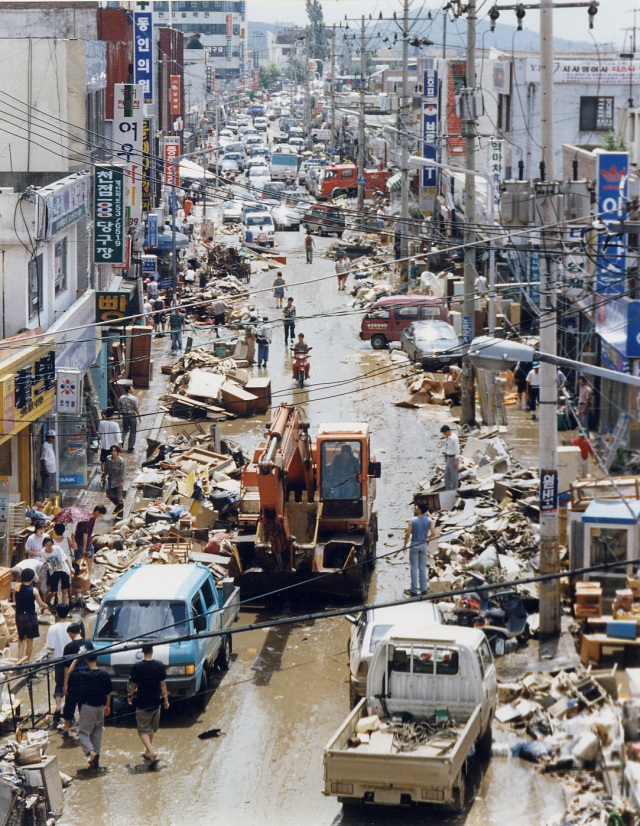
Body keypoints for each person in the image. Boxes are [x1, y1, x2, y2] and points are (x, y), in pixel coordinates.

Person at [127, 644, 170, 766]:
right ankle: (147, 752)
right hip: (156, 702)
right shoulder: (159, 665)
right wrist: (166, 700)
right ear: (152, 650)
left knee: (142, 730)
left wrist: (130, 696)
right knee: (150, 728)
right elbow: (163, 684)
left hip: (142, 703)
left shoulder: (137, 667)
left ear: (142, 651)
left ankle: (151, 751)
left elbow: (133, 685)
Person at [76, 652, 112, 769]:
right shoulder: (105, 674)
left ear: (86, 660)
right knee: (97, 734)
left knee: (82, 733)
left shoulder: (83, 675)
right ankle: (95, 761)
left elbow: (68, 672)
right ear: (97, 659)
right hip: (100, 707)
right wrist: (107, 706)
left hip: (88, 707)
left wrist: (77, 658)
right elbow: (108, 692)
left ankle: (91, 753)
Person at [60, 625, 94, 735]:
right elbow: (93, 662)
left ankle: (66, 727)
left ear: (70, 633)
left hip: (73, 679)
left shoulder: (68, 647)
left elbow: (66, 668)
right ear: (80, 631)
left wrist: (65, 684)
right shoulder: (89, 644)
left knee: (70, 703)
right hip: (87, 678)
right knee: (83, 703)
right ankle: (83, 728)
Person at [15, 568, 49, 662]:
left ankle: (19, 660)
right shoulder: (34, 590)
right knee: (29, 640)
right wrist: (46, 606)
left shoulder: (17, 587)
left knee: (21, 639)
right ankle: (27, 662)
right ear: (32, 578)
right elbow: (40, 604)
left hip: (19, 615)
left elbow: (15, 601)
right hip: (30, 616)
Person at [403, 502, 437, 597]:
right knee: (422, 567)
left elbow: (408, 534)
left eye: (417, 507)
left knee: (414, 567)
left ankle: (413, 590)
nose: (415, 507)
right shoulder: (429, 520)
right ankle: (423, 588)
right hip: (423, 545)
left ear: (420, 509)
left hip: (414, 545)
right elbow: (434, 534)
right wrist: (426, 537)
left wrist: (405, 545)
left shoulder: (412, 520)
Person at [45, 603, 71, 721]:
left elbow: (50, 647)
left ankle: (58, 707)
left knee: (59, 684)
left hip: (58, 660)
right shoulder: (72, 626)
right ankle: (68, 710)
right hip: (71, 661)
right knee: (70, 685)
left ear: (56, 613)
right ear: (68, 613)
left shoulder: (52, 628)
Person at [74, 506, 107, 578]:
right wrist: (83, 548)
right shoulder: (86, 519)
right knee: (79, 562)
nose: (100, 516)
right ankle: (79, 578)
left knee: (90, 559)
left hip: (88, 541)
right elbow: (84, 535)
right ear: (97, 511)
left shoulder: (93, 517)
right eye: (101, 514)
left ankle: (88, 576)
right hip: (80, 542)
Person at [42, 535, 72, 606]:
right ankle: (47, 602)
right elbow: (45, 561)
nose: (49, 547)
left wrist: (70, 567)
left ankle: (64, 607)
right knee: (53, 591)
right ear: (44, 545)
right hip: (54, 571)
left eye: (50, 545)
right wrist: (47, 562)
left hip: (63, 569)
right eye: (47, 545)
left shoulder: (57, 549)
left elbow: (65, 558)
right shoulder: (43, 552)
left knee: (64, 590)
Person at [98, 408, 122, 485]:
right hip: (113, 448)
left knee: (103, 461)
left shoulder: (101, 423)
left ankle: (104, 475)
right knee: (113, 462)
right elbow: (118, 436)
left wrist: (99, 442)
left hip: (104, 445)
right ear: (113, 415)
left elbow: (99, 434)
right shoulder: (115, 425)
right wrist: (120, 446)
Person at [118, 384, 141, 452]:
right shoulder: (133, 398)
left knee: (125, 430)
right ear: (129, 390)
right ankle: (130, 446)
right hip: (132, 415)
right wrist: (139, 416)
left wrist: (119, 415)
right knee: (133, 430)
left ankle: (121, 442)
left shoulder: (121, 397)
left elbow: (119, 407)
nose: (133, 389)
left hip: (124, 415)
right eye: (132, 388)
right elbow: (136, 408)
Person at [105, 445, 126, 520]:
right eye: (112, 451)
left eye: (114, 451)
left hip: (118, 481)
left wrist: (122, 481)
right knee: (110, 495)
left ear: (117, 452)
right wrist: (104, 475)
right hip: (111, 480)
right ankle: (118, 506)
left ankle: (120, 514)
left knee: (119, 498)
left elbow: (123, 471)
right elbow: (106, 468)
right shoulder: (108, 459)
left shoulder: (121, 460)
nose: (113, 452)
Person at [441, 424, 460, 491]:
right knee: (446, 475)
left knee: (454, 476)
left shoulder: (454, 438)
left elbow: (457, 450)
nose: (444, 434)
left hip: (453, 458)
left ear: (447, 431)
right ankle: (448, 490)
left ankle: (454, 490)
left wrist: (456, 460)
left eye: (444, 433)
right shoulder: (449, 437)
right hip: (449, 458)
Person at [41, 431, 56, 496]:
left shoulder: (50, 445)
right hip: (48, 470)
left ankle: (47, 500)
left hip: (52, 469)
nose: (53, 439)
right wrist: (46, 470)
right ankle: (45, 500)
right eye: (53, 437)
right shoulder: (45, 446)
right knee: (45, 487)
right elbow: (43, 459)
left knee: (49, 486)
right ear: (49, 438)